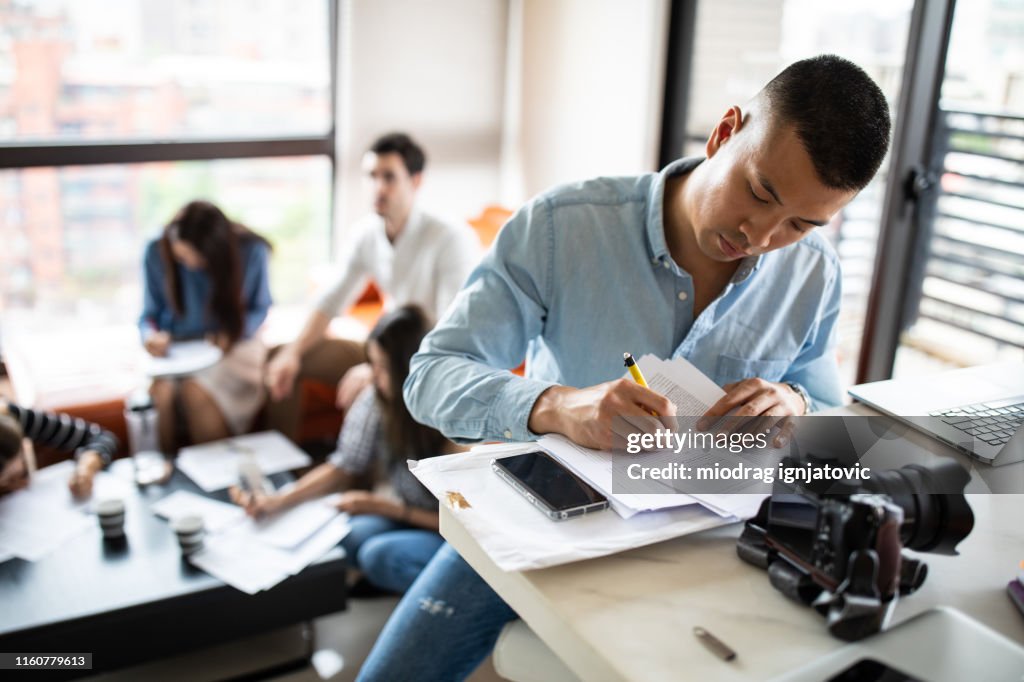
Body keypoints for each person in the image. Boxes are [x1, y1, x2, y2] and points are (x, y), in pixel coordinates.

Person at [358, 55, 893, 680]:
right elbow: (429, 377)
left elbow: (831, 410)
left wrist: (794, 406)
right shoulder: (562, 228)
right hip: (542, 522)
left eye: (800, 223)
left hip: (716, 546)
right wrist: (557, 406)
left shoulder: (814, 274)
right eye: (759, 191)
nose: (761, 235)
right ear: (725, 132)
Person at [264, 133, 482, 441]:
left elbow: (451, 330)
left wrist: (381, 371)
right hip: (383, 350)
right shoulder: (367, 233)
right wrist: (293, 351)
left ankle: (364, 476)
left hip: (429, 359)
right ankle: (280, 464)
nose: (378, 187)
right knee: (283, 358)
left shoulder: (449, 237)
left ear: (415, 181)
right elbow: (331, 300)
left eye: (389, 177)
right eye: (372, 176)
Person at [232, 305, 458, 594]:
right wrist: (278, 501)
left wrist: (387, 508)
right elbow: (343, 466)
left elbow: (465, 522)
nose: (372, 376)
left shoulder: (450, 421)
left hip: (449, 533)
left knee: (378, 555)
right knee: (345, 537)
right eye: (371, 364)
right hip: (407, 514)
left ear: (409, 369)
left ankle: (431, 593)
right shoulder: (378, 399)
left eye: (382, 368)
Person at [141, 200, 272, 453]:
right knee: (159, 395)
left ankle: (216, 475)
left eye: (197, 258)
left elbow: (260, 308)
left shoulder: (251, 250)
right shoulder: (155, 250)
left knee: (196, 391)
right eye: (181, 257)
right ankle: (166, 474)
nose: (189, 264)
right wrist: (150, 336)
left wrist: (233, 333)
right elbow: (147, 315)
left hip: (234, 344)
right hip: (177, 349)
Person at [0, 399, 119, 498]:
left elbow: (102, 437)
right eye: (6, 479)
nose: (19, 468)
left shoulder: (11, 415)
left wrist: (87, 466)